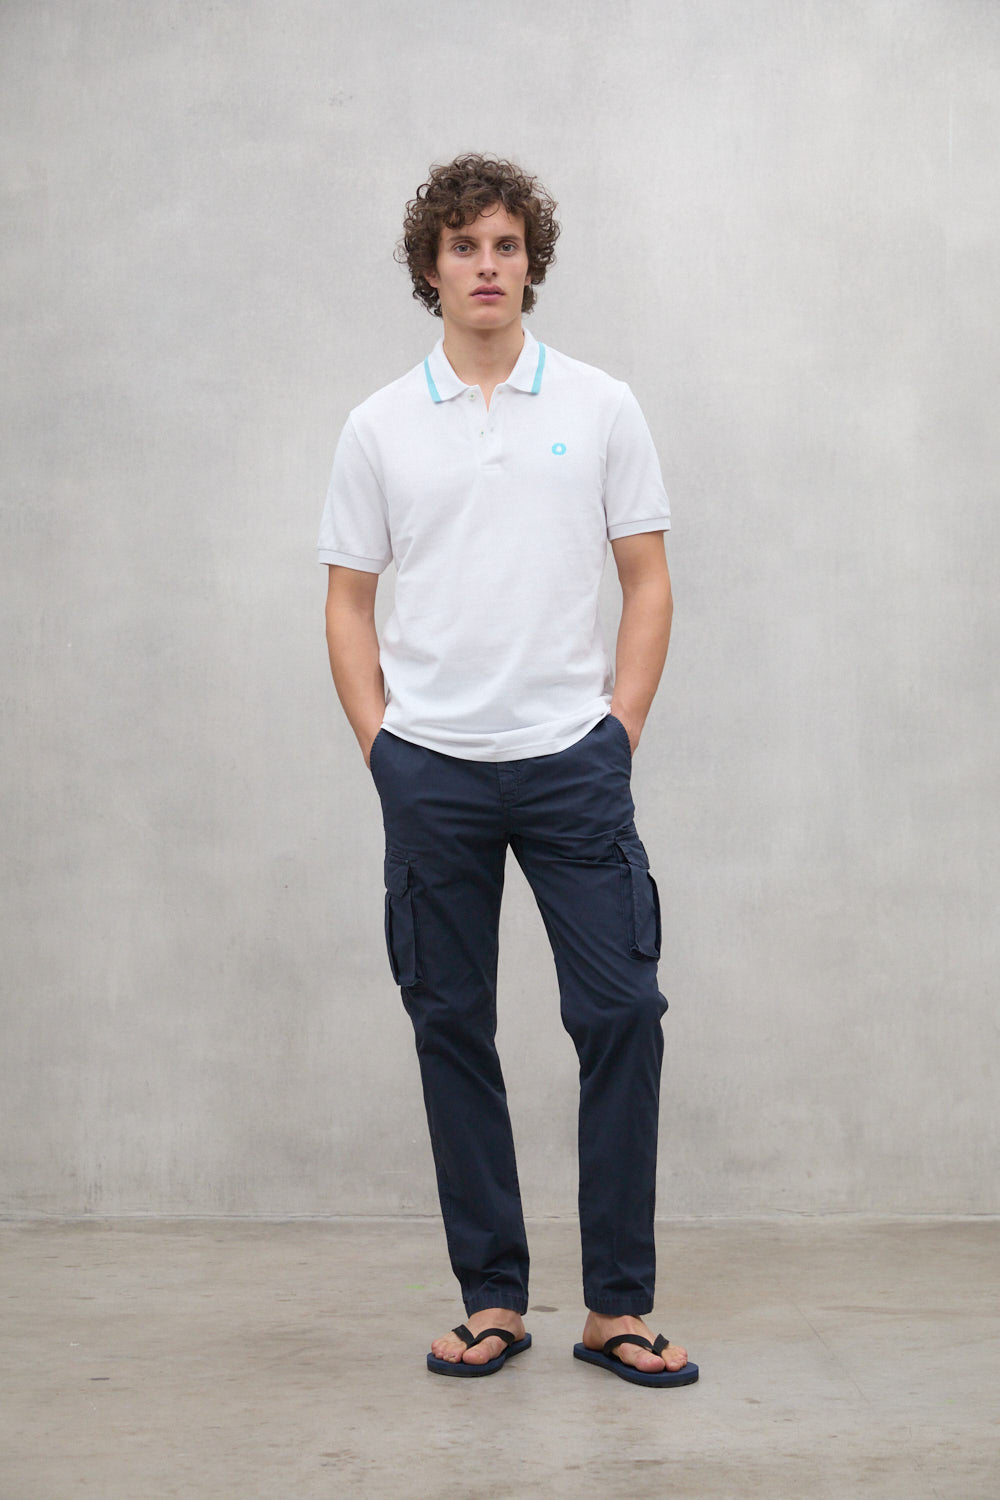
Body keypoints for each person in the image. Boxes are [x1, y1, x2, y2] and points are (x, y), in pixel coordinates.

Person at [318, 154, 697, 1388]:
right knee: (450, 1023)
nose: (486, 266)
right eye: (463, 246)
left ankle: (616, 1309)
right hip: (431, 768)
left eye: (505, 246)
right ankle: (492, 1299)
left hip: (570, 764)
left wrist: (615, 730)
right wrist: (383, 748)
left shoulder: (600, 405)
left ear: (531, 262)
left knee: (621, 1012)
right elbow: (347, 601)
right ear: (429, 267)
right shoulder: (379, 425)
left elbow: (646, 580)